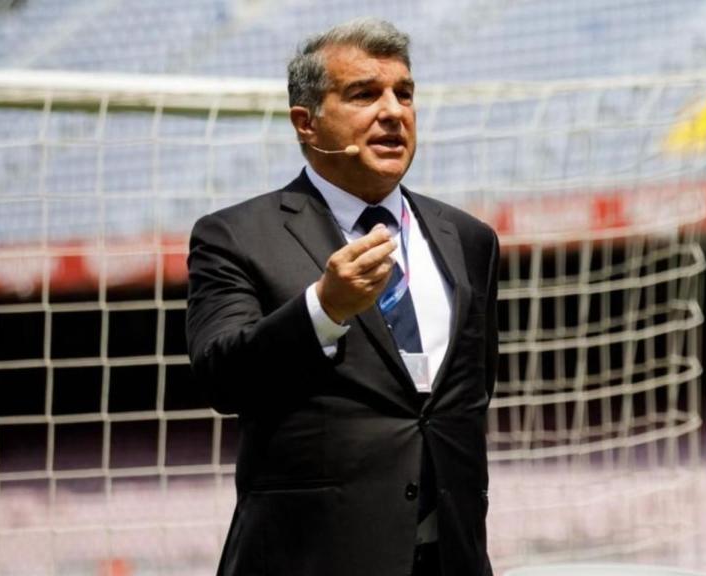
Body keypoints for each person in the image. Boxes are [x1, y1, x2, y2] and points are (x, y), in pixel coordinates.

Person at [186, 18, 499, 576]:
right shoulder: (235, 235)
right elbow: (220, 377)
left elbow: (466, 398)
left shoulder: (469, 239)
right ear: (306, 124)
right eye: (364, 93)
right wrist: (322, 310)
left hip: (452, 558)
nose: (393, 111)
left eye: (404, 93)